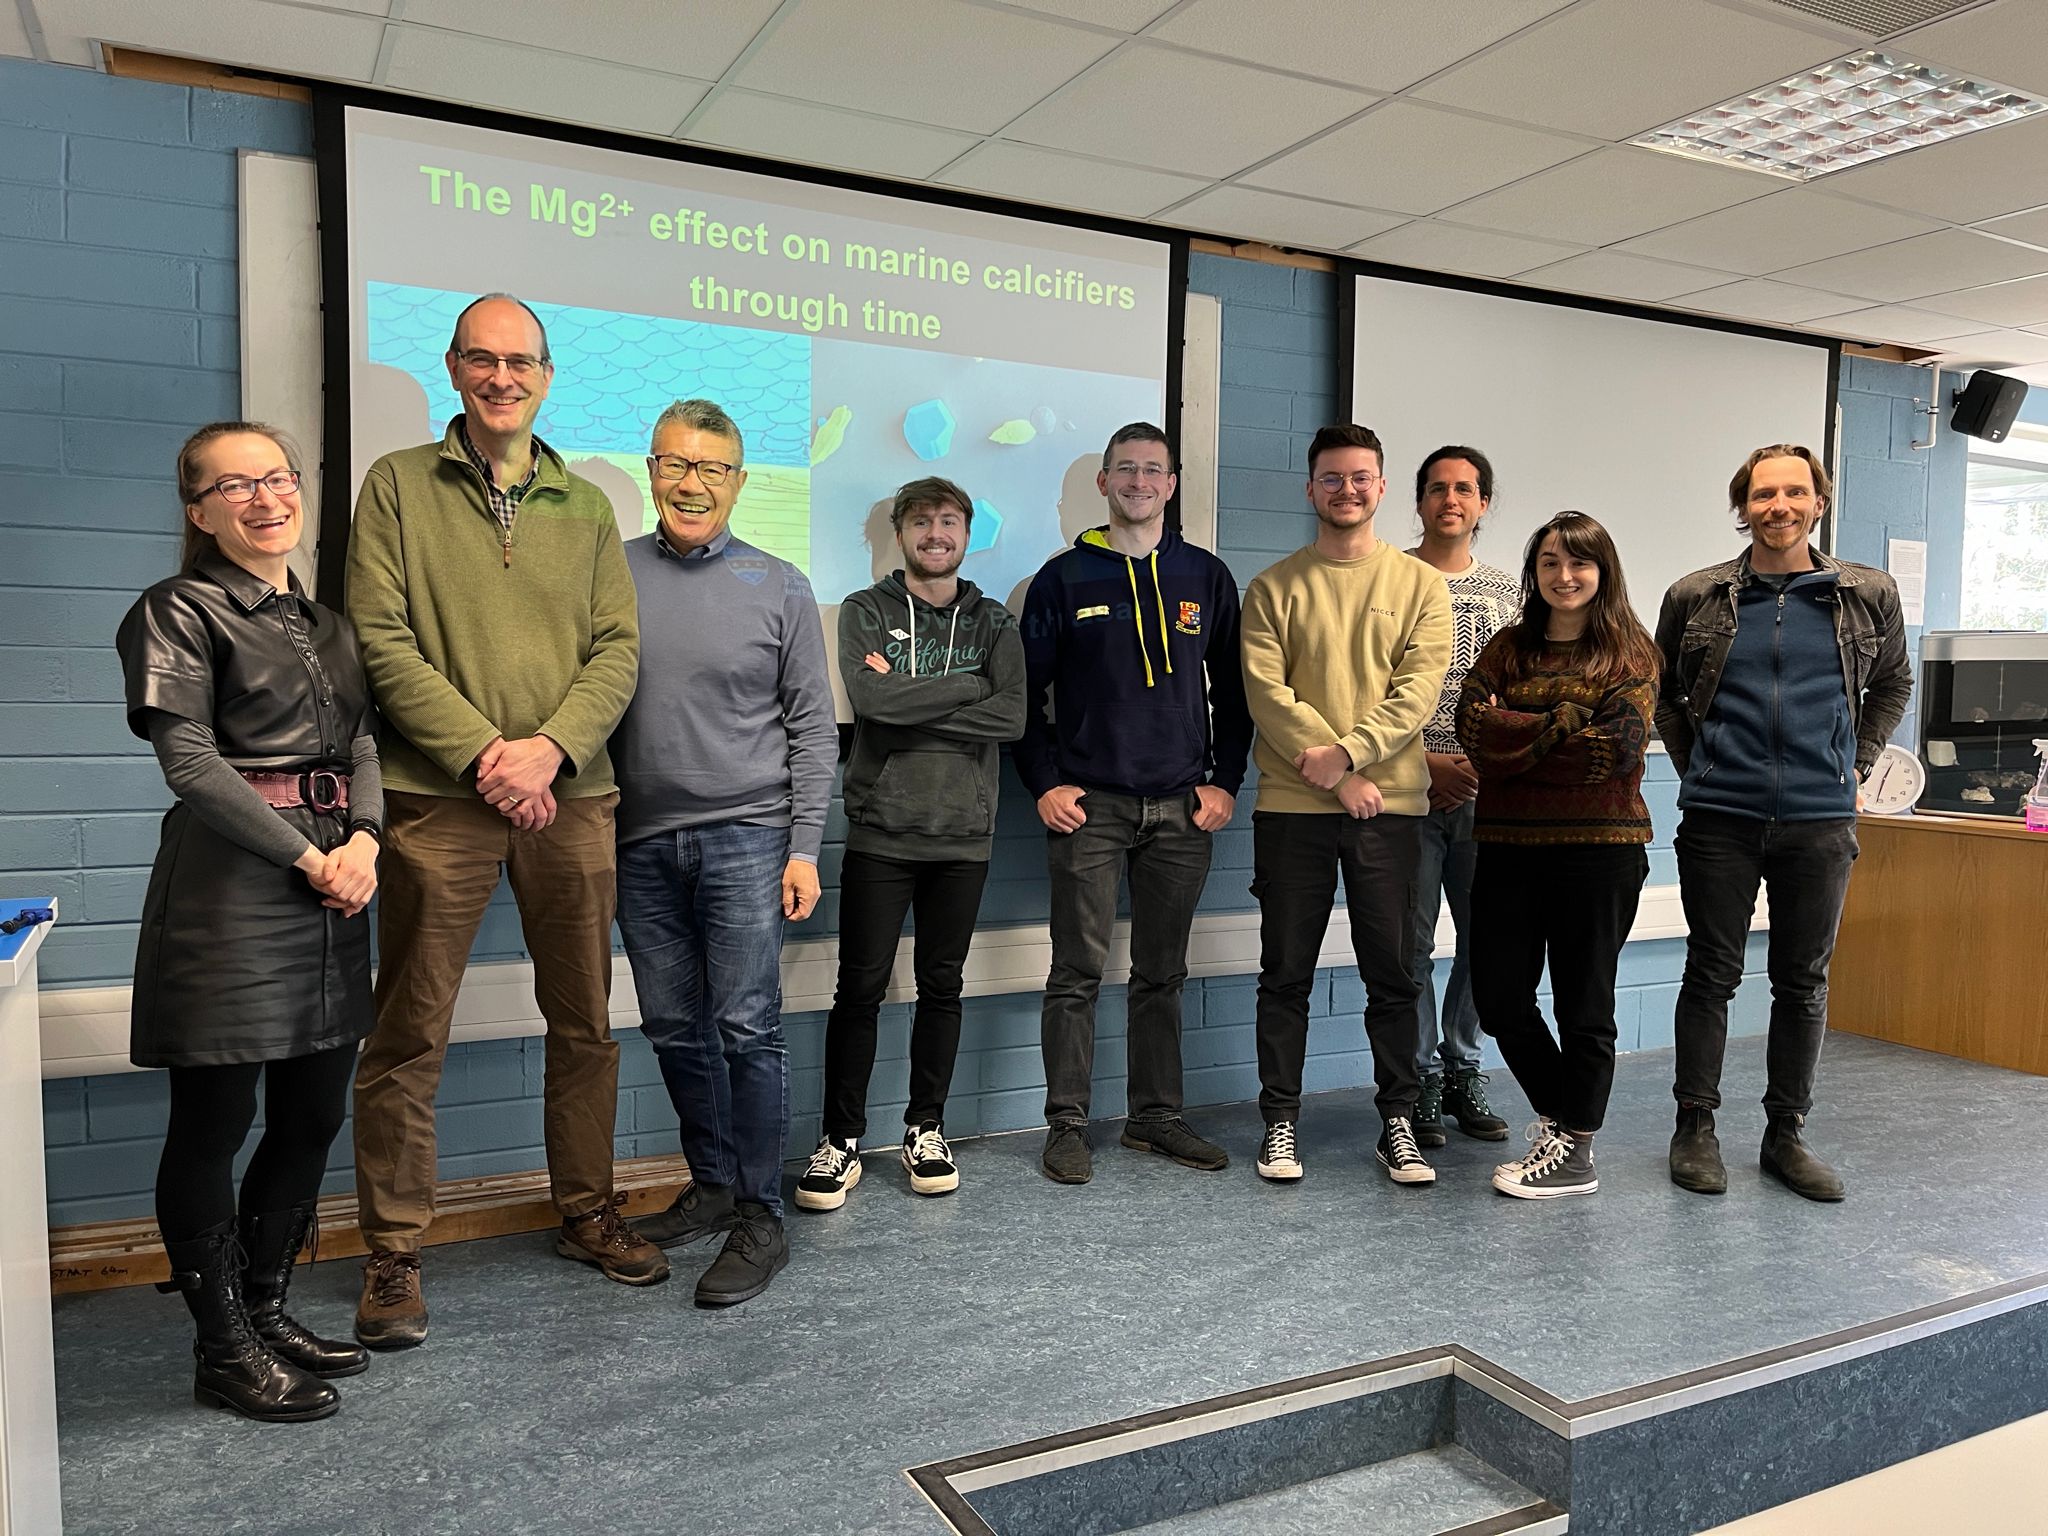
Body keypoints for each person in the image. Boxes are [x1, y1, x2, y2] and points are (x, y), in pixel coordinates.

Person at [347, 293, 660, 1352]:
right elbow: (379, 642)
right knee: (408, 1033)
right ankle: (392, 1252)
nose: (500, 377)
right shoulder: (395, 485)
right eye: (481, 360)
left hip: (571, 798)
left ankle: (585, 1209)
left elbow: (617, 648)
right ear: (452, 368)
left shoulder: (587, 502)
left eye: (519, 361)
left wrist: (549, 751)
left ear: (546, 374)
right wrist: (489, 754)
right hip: (441, 798)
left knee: (583, 1022)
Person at [117, 422, 381, 1421]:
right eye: (234, 486)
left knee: (314, 1112)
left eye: (275, 478)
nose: (264, 498)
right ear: (198, 511)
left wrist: (364, 842)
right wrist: (310, 854)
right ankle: (221, 1346)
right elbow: (191, 765)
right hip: (232, 893)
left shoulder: (324, 624)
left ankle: (266, 1306)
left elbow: (358, 742)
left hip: (331, 884)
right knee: (213, 1123)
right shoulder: (175, 611)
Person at [614, 398, 836, 1305]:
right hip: (638, 844)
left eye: (712, 468)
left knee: (746, 1027)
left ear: (741, 482)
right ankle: (710, 1185)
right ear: (651, 471)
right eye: (674, 464)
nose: (691, 483)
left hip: (749, 836)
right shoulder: (611, 573)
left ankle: (757, 1215)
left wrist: (804, 848)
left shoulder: (779, 584)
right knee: (672, 1025)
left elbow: (814, 728)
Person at [1657, 445, 1912, 1202]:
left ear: (1818, 502)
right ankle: (1695, 1128)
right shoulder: (1695, 595)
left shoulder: (1866, 593)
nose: (1779, 506)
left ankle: (1785, 1135)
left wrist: (1856, 764)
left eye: (1794, 492)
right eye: (1764, 494)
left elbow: (1894, 681)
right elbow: (1664, 693)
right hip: (1719, 817)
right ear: (1745, 506)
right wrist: (1696, 762)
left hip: (1820, 818)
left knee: (1803, 982)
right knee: (1711, 974)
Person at [1018, 422, 1253, 1185]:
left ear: (1173, 483)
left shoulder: (1206, 577)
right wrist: (1045, 782)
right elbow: (1023, 698)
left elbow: (1238, 695)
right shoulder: (1061, 580)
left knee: (1162, 971)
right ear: (1104, 483)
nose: (1140, 482)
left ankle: (1156, 1117)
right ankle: (1067, 1124)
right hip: (1092, 807)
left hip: (1183, 809)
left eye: (1154, 470)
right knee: (1076, 970)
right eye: (1126, 469)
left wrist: (1225, 781)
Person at [798, 477, 1026, 1211]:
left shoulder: (994, 621)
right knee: (857, 990)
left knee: (943, 986)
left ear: (967, 533)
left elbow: (1014, 716)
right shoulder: (866, 611)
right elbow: (873, 704)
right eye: (921, 521)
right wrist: (968, 688)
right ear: (900, 534)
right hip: (881, 831)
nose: (936, 533)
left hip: (964, 834)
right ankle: (841, 1140)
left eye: (949, 521)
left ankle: (926, 1128)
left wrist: (919, 695)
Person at [1241, 423, 1451, 1185]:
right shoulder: (1272, 588)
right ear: (1311, 489)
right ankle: (1280, 1125)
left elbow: (1417, 693)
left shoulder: (1420, 585)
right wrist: (1339, 777)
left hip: (1389, 808)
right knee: (1285, 973)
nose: (1347, 490)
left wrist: (1353, 759)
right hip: (1294, 810)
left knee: (1393, 973)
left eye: (1361, 478)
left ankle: (1397, 1120)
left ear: (1382, 488)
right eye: (1332, 478)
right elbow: (1269, 697)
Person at [1457, 513, 1658, 1199]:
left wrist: (1520, 738)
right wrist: (1567, 721)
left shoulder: (1631, 652)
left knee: (1585, 1005)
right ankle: (1561, 1121)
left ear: (1603, 572)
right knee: (1499, 997)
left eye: (1579, 563)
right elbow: (1472, 731)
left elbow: (1615, 752)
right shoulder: (1507, 648)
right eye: (1549, 562)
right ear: (1533, 572)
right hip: (1508, 851)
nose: (1564, 576)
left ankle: (1577, 1153)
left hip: (1600, 855)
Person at [1406, 446, 1518, 1149]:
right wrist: (1423, 763)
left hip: (1489, 793)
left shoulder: (1513, 592)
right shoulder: (1387, 579)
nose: (1452, 499)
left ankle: (1463, 1066)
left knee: (1489, 939)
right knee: (1408, 945)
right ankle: (1417, 1078)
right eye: (1438, 488)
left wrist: (1482, 763)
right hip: (1404, 789)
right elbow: (1364, 692)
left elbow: (1530, 688)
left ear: (1483, 504)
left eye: (1466, 489)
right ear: (1418, 501)